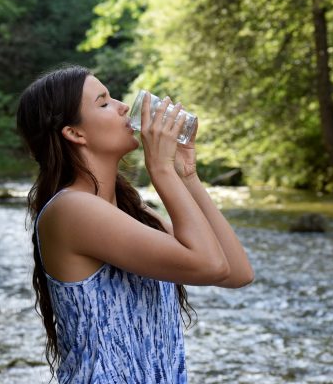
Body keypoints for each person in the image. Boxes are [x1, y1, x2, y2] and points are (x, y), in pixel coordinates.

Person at [16, 65, 254, 383]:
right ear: (75, 133)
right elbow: (209, 265)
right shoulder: (72, 209)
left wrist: (186, 174)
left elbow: (236, 272)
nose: (123, 106)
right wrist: (161, 169)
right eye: (103, 102)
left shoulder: (130, 209)